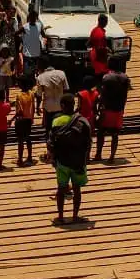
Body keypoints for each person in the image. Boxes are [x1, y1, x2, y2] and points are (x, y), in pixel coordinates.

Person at [48, 94, 92, 225]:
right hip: (78, 162)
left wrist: (52, 158)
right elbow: (88, 142)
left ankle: (60, 217)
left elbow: (51, 142)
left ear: (62, 106)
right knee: (77, 189)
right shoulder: (83, 121)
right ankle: (75, 216)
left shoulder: (56, 121)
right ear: (74, 105)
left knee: (61, 188)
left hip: (62, 161)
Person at [96, 56, 131, 163]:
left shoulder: (107, 77)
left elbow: (103, 94)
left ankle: (98, 154)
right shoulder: (125, 77)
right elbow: (126, 93)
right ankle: (112, 156)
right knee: (115, 134)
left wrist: (99, 106)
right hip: (119, 108)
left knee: (101, 132)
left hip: (108, 108)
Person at [36, 57, 69, 145]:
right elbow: (66, 90)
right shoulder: (61, 73)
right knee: (61, 128)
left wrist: (37, 107)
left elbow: (39, 95)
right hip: (61, 106)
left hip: (48, 107)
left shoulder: (40, 77)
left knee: (48, 129)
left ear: (42, 66)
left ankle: (50, 151)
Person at [14, 79, 36, 166]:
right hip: (28, 119)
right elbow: (33, 107)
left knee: (20, 140)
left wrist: (12, 119)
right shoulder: (31, 93)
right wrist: (32, 118)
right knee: (28, 138)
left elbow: (19, 111)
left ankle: (20, 159)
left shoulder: (19, 95)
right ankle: (30, 157)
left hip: (21, 120)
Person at [19, 10, 45, 80]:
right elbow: (16, 34)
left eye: (34, 17)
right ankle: (27, 84)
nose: (33, 19)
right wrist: (21, 40)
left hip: (37, 53)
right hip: (27, 53)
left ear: (36, 18)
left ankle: (32, 82)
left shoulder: (39, 25)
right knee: (27, 71)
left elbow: (43, 35)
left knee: (35, 70)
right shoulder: (24, 27)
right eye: (32, 17)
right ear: (29, 18)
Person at [88, 14, 111, 81]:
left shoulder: (94, 30)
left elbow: (89, 43)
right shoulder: (101, 34)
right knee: (100, 76)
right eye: (106, 21)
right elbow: (100, 49)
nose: (107, 23)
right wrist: (107, 50)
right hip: (99, 58)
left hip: (93, 54)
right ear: (103, 22)